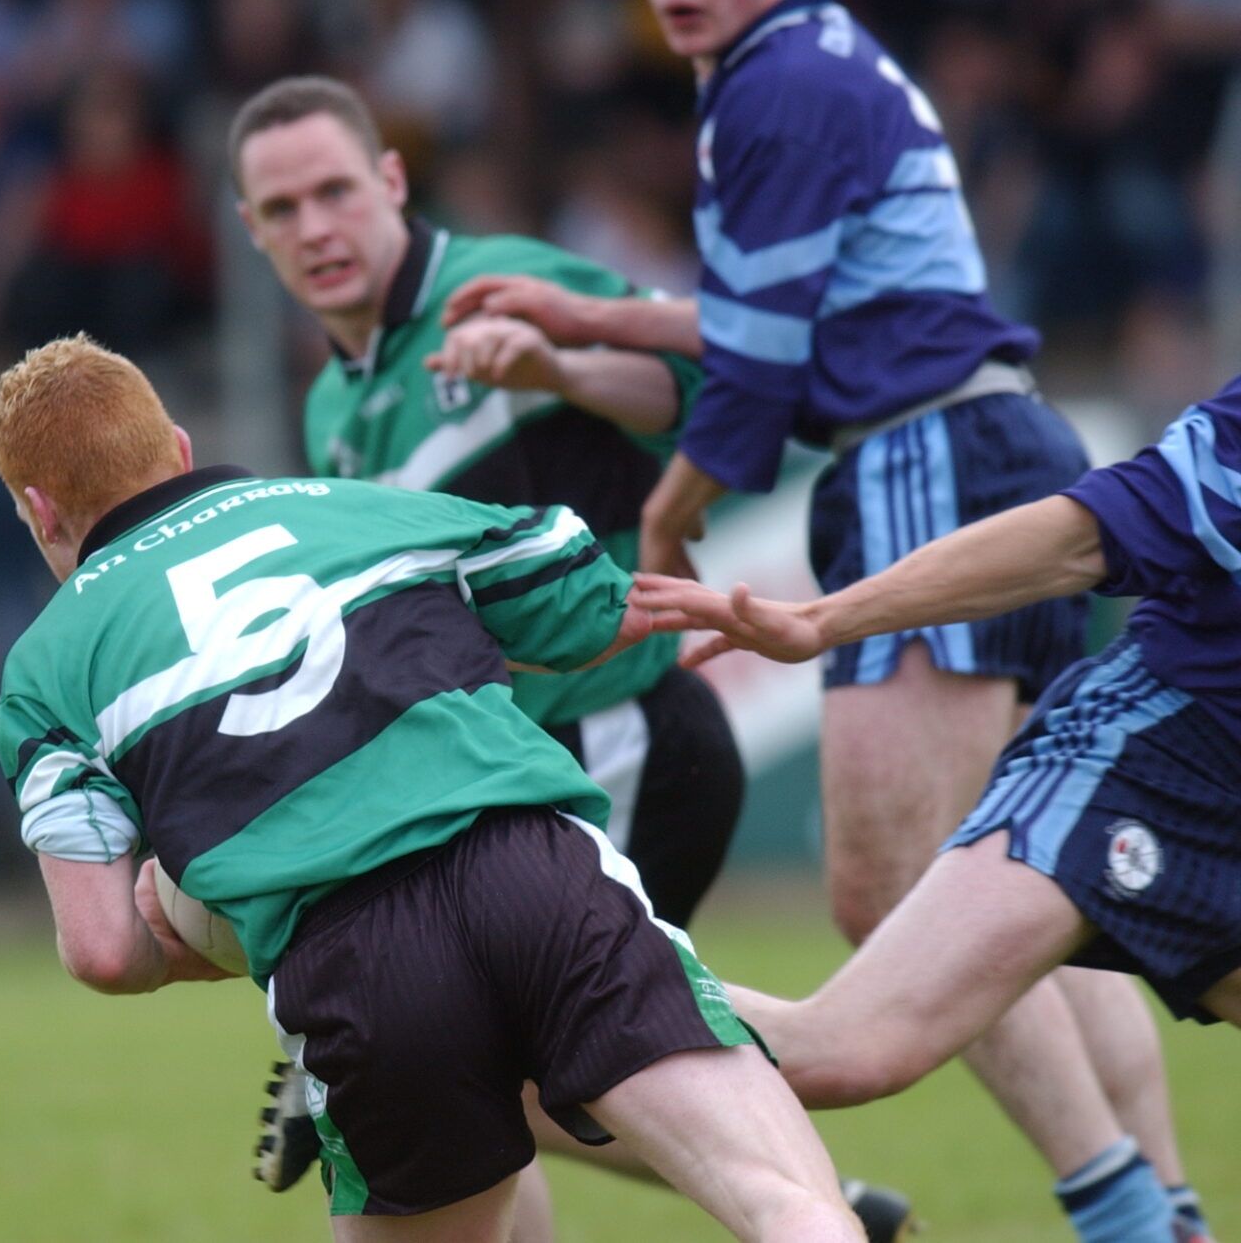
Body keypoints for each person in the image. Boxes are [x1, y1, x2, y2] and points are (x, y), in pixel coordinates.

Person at [442, 0, 1208, 1238]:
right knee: (1027, 872)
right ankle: (1157, 1201)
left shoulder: (778, 82)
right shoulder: (799, 62)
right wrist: (591, 319)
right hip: (980, 435)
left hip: (925, 454)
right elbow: (784, 314)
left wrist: (667, 517)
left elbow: (756, 370)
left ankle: (1123, 1211)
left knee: (899, 887)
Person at [0, 333, 865, 1243]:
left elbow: (102, 951)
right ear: (176, 447)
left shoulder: (45, 670)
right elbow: (580, 592)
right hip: (538, 877)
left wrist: (200, 942)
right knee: (785, 1203)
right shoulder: (358, 507)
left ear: (41, 512)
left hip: (353, 967)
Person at [227, 73, 907, 1241]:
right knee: (505, 1078)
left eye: (335, 190)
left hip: (621, 734)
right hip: (515, 773)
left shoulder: (499, 282)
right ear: (250, 230)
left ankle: (864, 1159)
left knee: (532, 1059)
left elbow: (711, 388)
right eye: (282, 209)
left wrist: (559, 368)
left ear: (392, 180)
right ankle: (830, 1206)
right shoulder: (333, 405)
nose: (315, 228)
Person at [631, 379, 1241, 1243]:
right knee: (849, 1045)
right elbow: (1078, 538)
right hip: (1153, 763)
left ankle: (1150, 1217)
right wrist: (823, 620)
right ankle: (549, 994)